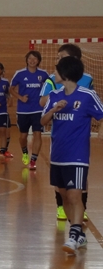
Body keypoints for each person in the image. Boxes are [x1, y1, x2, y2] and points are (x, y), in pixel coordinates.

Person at [40, 55, 103, 255]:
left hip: (77, 155)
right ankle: (78, 234)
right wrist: (54, 110)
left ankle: (74, 235)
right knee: (64, 195)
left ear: (65, 73)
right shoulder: (55, 95)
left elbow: (101, 114)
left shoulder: (87, 95)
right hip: (57, 154)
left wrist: (101, 131)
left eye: (57, 70)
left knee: (75, 194)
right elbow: (43, 122)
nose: (54, 73)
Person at [39, 44, 94, 222]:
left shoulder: (87, 80)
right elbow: (42, 102)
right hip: (59, 136)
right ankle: (61, 207)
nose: (57, 60)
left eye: (61, 57)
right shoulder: (52, 80)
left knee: (80, 178)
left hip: (79, 137)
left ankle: (80, 209)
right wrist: (59, 99)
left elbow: (90, 101)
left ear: (74, 60)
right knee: (60, 178)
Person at [10, 51, 50, 170]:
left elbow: (49, 88)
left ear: (38, 60)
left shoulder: (43, 74)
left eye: (35, 59)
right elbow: (11, 89)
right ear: (27, 60)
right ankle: (25, 152)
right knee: (23, 136)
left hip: (38, 110)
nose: (32, 61)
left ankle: (33, 160)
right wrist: (20, 97)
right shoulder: (20, 73)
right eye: (30, 58)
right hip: (23, 110)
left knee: (38, 134)